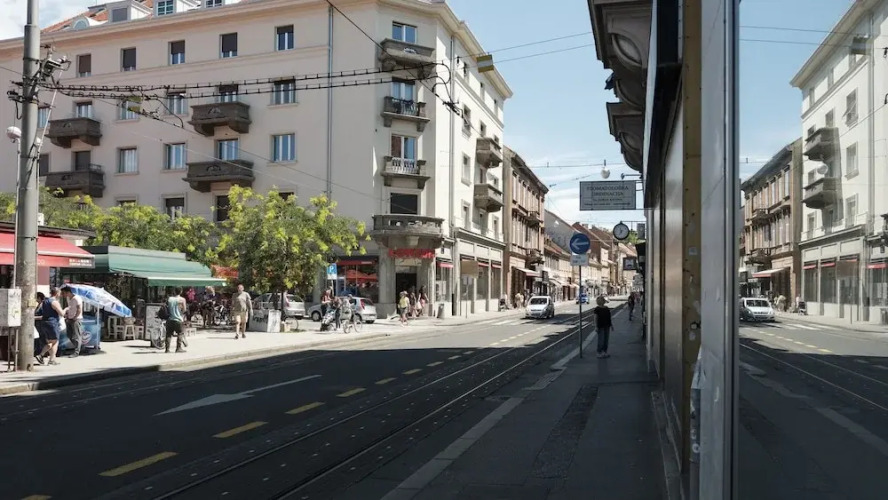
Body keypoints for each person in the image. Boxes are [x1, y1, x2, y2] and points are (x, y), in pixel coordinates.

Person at [35, 288, 65, 365]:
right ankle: (41, 355)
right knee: (55, 341)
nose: (60, 295)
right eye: (59, 293)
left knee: (50, 341)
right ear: (57, 293)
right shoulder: (54, 302)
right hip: (52, 323)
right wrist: (66, 309)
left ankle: (52, 359)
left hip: (45, 323)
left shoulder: (45, 301)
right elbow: (62, 313)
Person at [60, 285, 84, 357]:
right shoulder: (69, 299)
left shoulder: (77, 298)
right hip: (69, 318)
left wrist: (75, 317)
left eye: (64, 293)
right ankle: (79, 347)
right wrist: (67, 316)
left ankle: (76, 351)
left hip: (76, 319)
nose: (63, 295)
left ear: (68, 292)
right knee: (69, 334)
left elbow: (79, 309)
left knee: (76, 335)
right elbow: (70, 308)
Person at [164, 287, 188, 353]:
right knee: (180, 333)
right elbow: (184, 310)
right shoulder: (182, 299)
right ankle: (178, 348)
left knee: (168, 334)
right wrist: (180, 312)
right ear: (181, 291)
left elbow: (167, 307)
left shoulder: (170, 299)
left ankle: (167, 349)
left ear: (174, 291)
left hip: (170, 319)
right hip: (178, 319)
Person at [33, 292, 46, 364]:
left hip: (41, 325)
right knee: (39, 340)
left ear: (39, 298)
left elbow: (43, 316)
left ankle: (41, 355)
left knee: (42, 340)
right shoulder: (38, 305)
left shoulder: (43, 305)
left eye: (36, 298)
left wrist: (34, 318)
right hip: (37, 326)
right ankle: (39, 355)